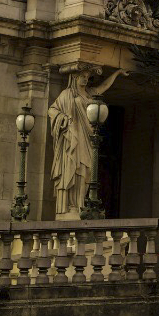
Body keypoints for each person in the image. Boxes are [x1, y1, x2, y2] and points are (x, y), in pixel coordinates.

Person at [48, 67, 124, 216]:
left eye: (87, 76)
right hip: (73, 138)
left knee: (87, 171)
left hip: (88, 138)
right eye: (82, 76)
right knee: (74, 169)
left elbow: (103, 87)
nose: (85, 79)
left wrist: (117, 72)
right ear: (74, 77)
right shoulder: (67, 94)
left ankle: (80, 204)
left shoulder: (89, 93)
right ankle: (71, 207)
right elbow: (52, 110)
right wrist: (64, 119)